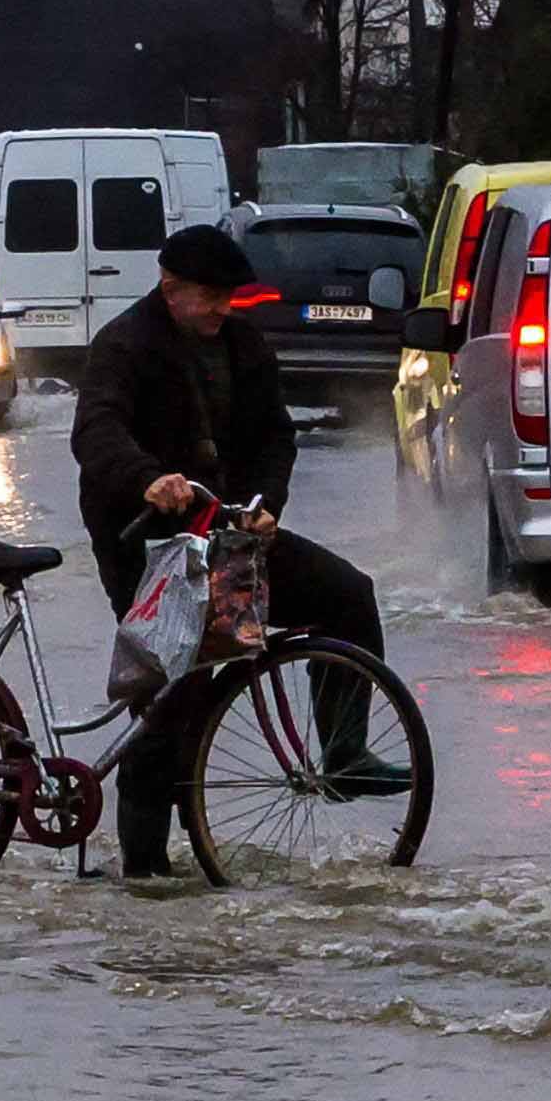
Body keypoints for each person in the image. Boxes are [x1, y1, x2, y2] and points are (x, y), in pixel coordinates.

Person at [69, 223, 397, 875]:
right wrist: (148, 480)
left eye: (230, 296)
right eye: (212, 297)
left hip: (229, 532)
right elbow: (96, 433)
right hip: (147, 546)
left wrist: (267, 505)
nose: (224, 308)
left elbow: (277, 437)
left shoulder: (244, 344)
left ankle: (343, 749)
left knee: (348, 595)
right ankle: (144, 871)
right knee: (178, 697)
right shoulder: (123, 346)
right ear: (170, 289)